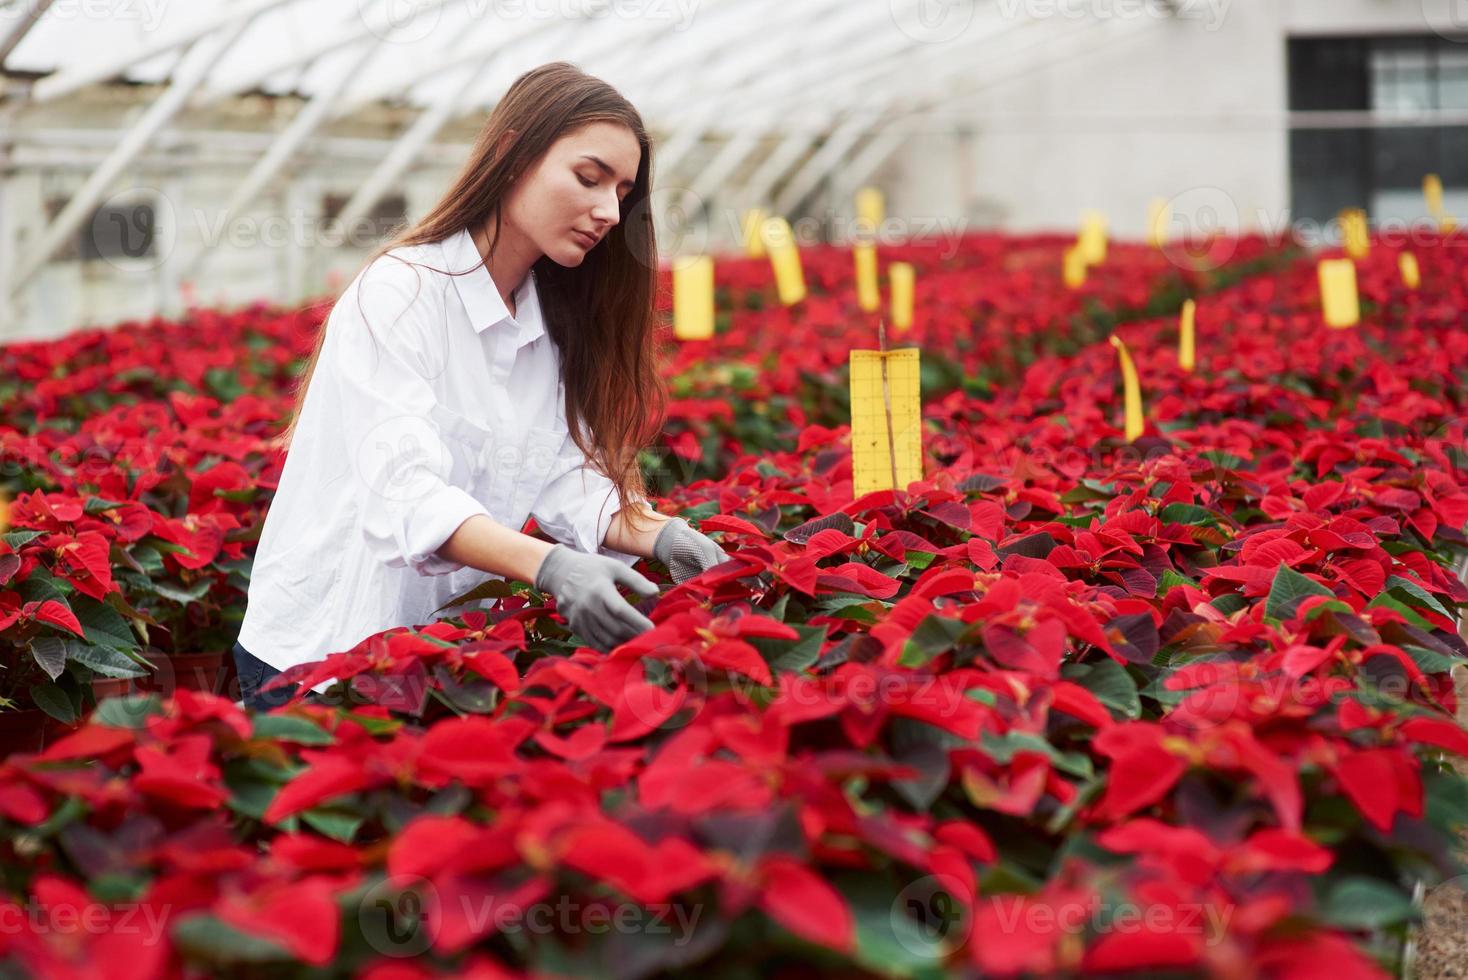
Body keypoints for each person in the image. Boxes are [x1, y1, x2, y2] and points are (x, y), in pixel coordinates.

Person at [232, 62, 729, 711]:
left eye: (623, 192)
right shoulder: (402, 292)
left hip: (435, 658)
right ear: (510, 153)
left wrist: (663, 535)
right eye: (588, 178)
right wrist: (550, 567)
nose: (609, 211)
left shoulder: (539, 319)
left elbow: (559, 475)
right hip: (322, 661)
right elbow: (404, 495)